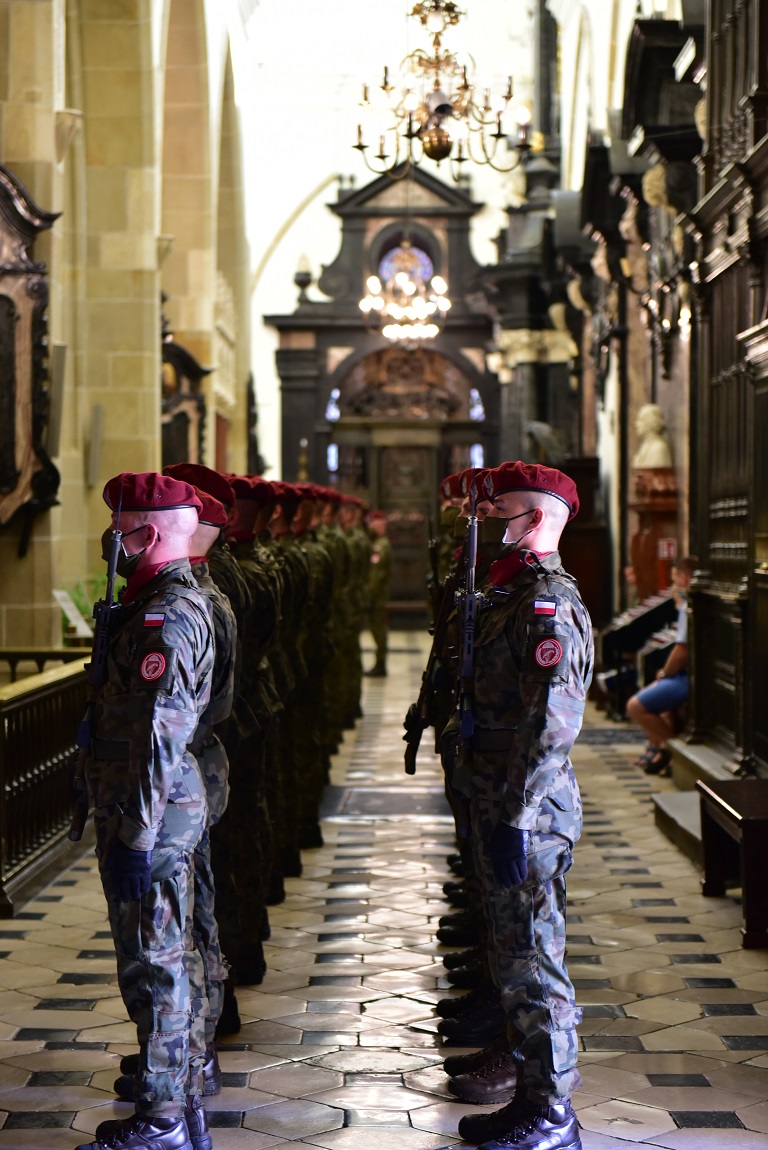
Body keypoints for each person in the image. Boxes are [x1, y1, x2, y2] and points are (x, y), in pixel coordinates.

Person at [449, 460, 592, 1150]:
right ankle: (534, 1097)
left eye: (494, 511)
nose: (481, 523)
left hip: (527, 811)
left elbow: (551, 726)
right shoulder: (508, 596)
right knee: (514, 961)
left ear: (532, 519)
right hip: (501, 799)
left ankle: (553, 1114)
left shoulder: (548, 605)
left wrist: (513, 815)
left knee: (536, 964)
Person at [77, 471, 215, 1150]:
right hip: (146, 808)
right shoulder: (148, 604)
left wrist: (133, 835)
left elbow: (163, 728)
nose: (112, 538)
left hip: (151, 815)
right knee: (157, 963)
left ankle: (161, 1120)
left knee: (155, 968)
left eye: (121, 524)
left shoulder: (169, 615)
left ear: (147, 531)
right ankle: (177, 1111)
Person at [626, 555, 696, 776]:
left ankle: (673, 752)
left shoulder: (688, 607)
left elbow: (681, 650)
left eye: (675, 578)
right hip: (689, 675)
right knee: (663, 708)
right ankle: (663, 750)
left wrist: (665, 673)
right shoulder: (687, 605)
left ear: (684, 578)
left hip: (688, 677)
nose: (673, 584)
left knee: (635, 707)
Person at [365, 509, 392, 676]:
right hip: (376, 595)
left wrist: (369, 596)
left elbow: (377, 575)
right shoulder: (377, 543)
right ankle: (379, 662)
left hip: (377, 596)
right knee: (377, 629)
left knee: (379, 630)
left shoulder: (381, 546)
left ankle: (380, 663)